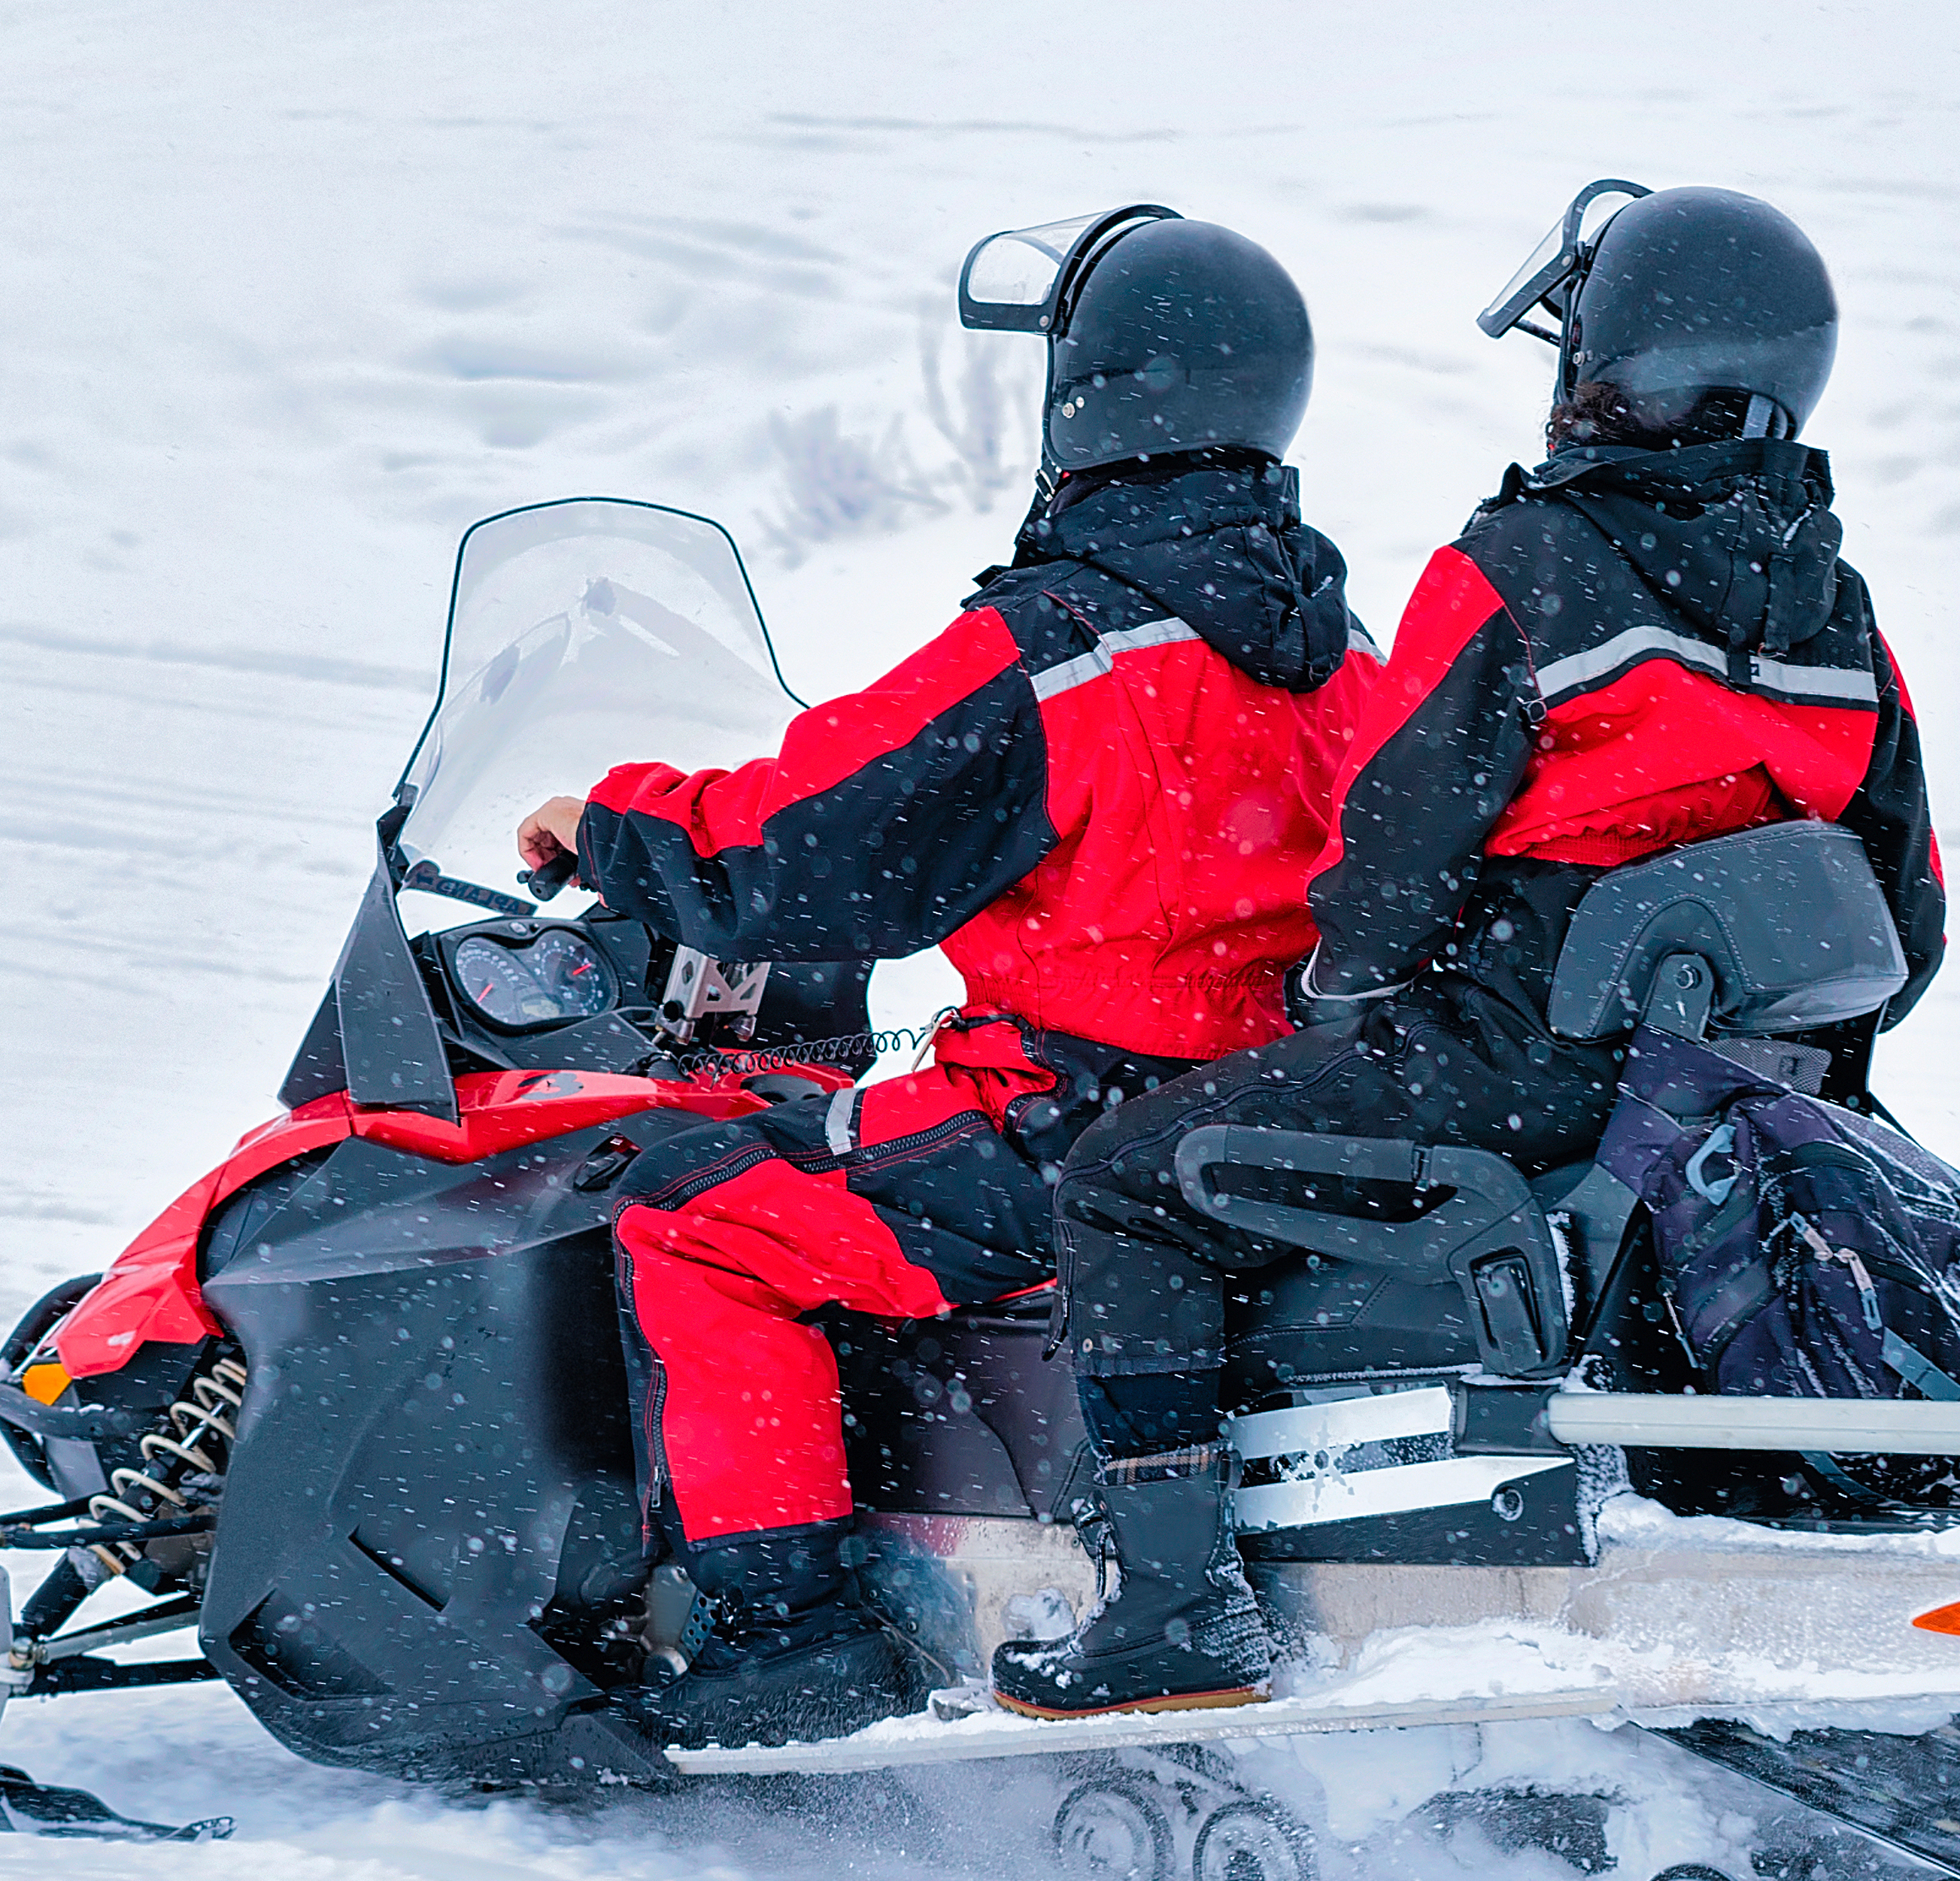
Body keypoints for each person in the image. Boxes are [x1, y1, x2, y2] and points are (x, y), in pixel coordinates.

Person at [1003, 181, 1944, 1718]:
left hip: (1513, 1080)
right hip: (1707, 1114)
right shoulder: (1843, 618)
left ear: (1613, 359)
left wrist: (1339, 1016)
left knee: (1124, 1172)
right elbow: (1911, 921)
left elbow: (1384, 870)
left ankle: (1174, 1600)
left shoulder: (1523, 565)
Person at [512, 205, 1365, 1748]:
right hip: (1273, 1115)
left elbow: (807, 842)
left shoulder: (1066, 647)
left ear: (1087, 396)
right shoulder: (1336, 652)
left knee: (698, 1223)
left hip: (1069, 1121)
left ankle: (794, 1630)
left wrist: (617, 820)